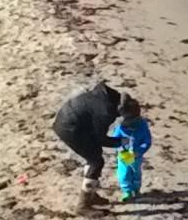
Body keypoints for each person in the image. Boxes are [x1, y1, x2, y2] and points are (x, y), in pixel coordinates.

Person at [52, 81, 131, 209]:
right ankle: (83, 205)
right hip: (70, 129)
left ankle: (91, 194)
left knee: (94, 155)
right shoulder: (106, 112)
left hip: (67, 120)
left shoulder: (105, 96)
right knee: (96, 161)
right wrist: (120, 142)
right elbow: (100, 139)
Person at [109, 97, 151, 201]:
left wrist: (140, 151)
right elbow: (114, 140)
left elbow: (147, 141)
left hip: (136, 155)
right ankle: (127, 191)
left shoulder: (142, 126)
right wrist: (120, 148)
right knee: (123, 174)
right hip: (124, 155)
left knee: (136, 173)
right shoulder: (120, 128)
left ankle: (136, 189)